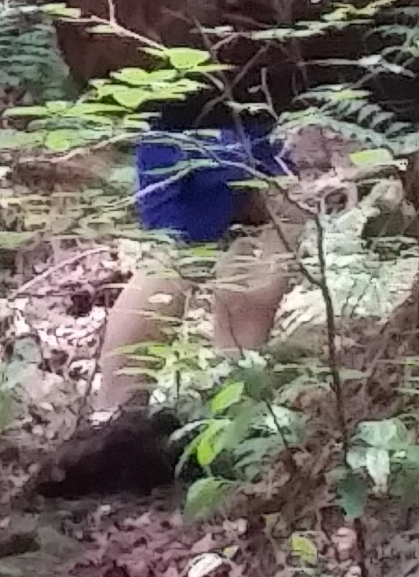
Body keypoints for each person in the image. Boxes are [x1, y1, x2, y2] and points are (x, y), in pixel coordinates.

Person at [94, 91, 298, 419]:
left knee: (185, 252)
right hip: (210, 114)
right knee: (183, 253)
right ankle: (119, 417)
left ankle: (117, 415)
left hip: (198, 111)